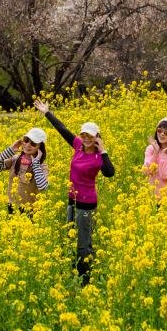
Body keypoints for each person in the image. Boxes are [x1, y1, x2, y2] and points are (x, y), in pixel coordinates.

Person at [33, 99, 115, 287]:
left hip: (87, 204)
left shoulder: (99, 156)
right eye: (84, 134)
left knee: (83, 242)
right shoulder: (78, 145)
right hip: (72, 200)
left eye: (90, 135)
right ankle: (75, 271)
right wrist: (47, 112)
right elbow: (63, 130)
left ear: (97, 137)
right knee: (70, 237)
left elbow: (110, 173)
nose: (86, 138)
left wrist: (103, 151)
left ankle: (86, 279)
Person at [0, 127, 49, 214]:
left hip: (31, 210)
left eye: (33, 143)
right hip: (12, 205)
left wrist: (36, 164)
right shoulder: (15, 159)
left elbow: (43, 186)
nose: (28, 145)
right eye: (26, 140)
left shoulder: (42, 166)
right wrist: (10, 150)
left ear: (40, 148)